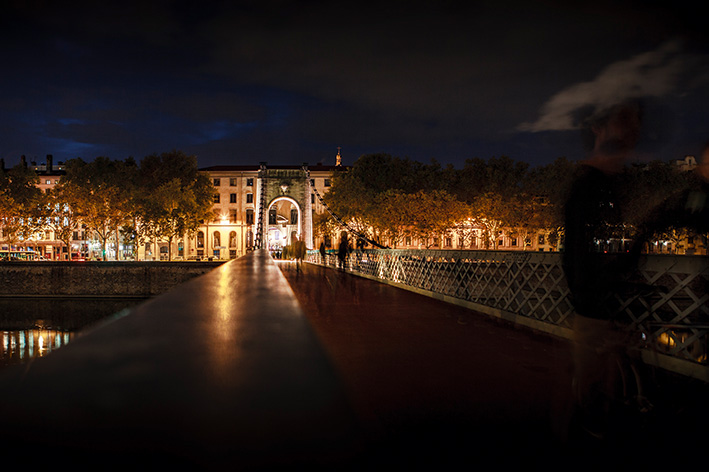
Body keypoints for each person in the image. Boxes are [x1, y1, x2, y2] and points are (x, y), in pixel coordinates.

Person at [562, 99, 645, 441]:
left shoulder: (608, 184)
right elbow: (578, 255)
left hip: (608, 305)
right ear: (598, 129)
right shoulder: (588, 186)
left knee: (603, 389)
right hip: (596, 308)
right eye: (621, 122)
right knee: (595, 397)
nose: (630, 131)